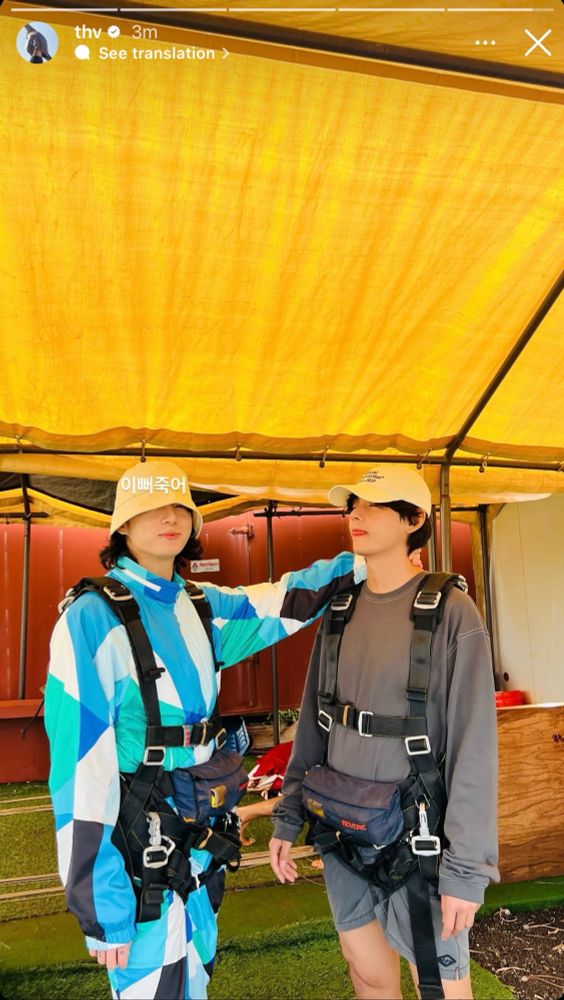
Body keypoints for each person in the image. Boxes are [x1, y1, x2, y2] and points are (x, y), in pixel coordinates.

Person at [44, 459, 367, 1000]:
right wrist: (102, 906)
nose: (169, 517)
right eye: (150, 508)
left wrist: (365, 563)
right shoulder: (90, 618)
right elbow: (80, 769)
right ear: (122, 525)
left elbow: (283, 600)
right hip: (140, 854)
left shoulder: (199, 606)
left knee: (195, 978)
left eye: (179, 506)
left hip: (201, 842)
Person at [270, 466, 499, 1000]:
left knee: (440, 987)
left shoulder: (452, 612)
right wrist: (288, 816)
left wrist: (465, 870)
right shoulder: (339, 610)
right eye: (353, 505)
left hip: (417, 838)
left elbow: (475, 747)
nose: (356, 514)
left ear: (414, 519)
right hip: (341, 830)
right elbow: (315, 724)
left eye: (374, 504)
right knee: (367, 975)